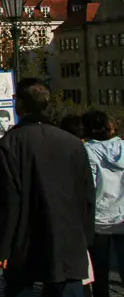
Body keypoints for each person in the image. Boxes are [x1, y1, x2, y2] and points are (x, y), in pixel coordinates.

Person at [0, 79, 95, 297]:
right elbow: (87, 195)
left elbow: (6, 200)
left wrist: (1, 246)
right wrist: (85, 237)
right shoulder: (73, 143)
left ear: (21, 105)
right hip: (69, 238)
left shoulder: (11, 143)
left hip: (24, 239)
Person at [82, 109, 124, 297]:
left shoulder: (87, 150)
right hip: (122, 215)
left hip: (98, 218)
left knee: (100, 270)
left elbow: (88, 185)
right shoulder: (123, 146)